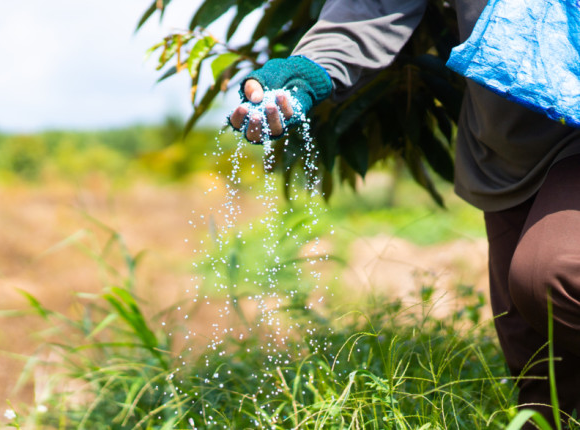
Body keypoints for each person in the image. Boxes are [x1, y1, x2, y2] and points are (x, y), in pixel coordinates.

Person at [229, 0, 580, 427]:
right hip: (510, 149)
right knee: (544, 392)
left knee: (553, 272)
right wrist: (308, 70)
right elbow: (373, 5)